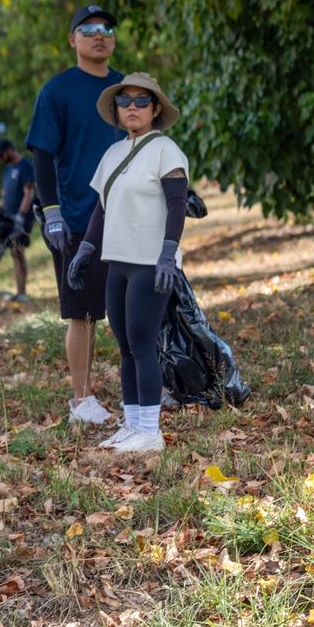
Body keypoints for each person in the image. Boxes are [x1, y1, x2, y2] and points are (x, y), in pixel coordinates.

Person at [67, 73, 189, 455]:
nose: (132, 107)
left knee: (142, 342)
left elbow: (177, 203)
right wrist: (86, 249)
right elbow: (103, 208)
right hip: (116, 261)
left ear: (155, 110)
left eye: (141, 101)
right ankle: (133, 424)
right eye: (125, 101)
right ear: (117, 111)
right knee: (124, 345)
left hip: (151, 262)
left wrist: (169, 251)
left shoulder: (165, 149)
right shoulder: (113, 154)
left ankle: (150, 431)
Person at [27, 3, 123, 424]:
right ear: (73, 40)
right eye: (88, 29)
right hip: (79, 219)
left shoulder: (128, 89)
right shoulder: (57, 91)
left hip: (130, 217)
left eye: (106, 28)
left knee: (133, 306)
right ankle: (82, 402)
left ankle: (151, 387)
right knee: (82, 314)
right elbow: (43, 156)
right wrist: (52, 213)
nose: (98, 35)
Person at [0, 139, 36, 302]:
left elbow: (29, 193)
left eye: (1, 154)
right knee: (13, 252)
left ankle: (22, 292)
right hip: (8, 219)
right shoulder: (7, 170)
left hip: (22, 219)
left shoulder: (25, 166)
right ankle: (19, 291)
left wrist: (21, 215)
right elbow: (4, 196)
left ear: (9, 150)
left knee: (18, 251)